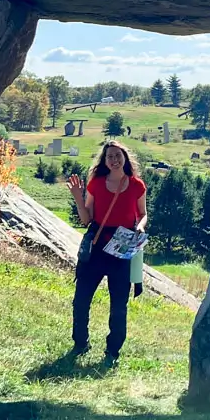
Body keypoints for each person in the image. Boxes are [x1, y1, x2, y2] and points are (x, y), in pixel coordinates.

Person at [66, 141, 147, 364]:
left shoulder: (136, 185)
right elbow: (86, 219)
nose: (114, 159)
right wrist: (77, 196)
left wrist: (140, 227)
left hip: (122, 249)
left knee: (119, 305)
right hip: (98, 248)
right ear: (104, 161)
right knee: (81, 299)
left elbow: (143, 214)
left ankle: (112, 352)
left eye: (117, 155)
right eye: (109, 156)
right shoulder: (96, 184)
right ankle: (80, 343)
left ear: (125, 158)